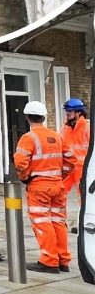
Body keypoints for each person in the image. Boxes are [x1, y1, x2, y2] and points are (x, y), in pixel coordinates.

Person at [13, 101, 78, 273]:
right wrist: (61, 176)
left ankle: (49, 261)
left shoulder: (28, 138)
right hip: (57, 185)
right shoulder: (57, 136)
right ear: (43, 117)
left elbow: (20, 163)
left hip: (39, 186)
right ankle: (63, 260)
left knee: (42, 222)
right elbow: (71, 160)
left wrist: (25, 178)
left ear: (27, 117)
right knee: (58, 221)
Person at [60, 98, 90, 234]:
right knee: (60, 193)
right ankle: (60, 222)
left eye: (70, 111)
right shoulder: (65, 128)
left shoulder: (88, 128)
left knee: (84, 197)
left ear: (79, 112)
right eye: (67, 111)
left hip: (83, 168)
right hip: (68, 167)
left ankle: (85, 222)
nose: (67, 113)